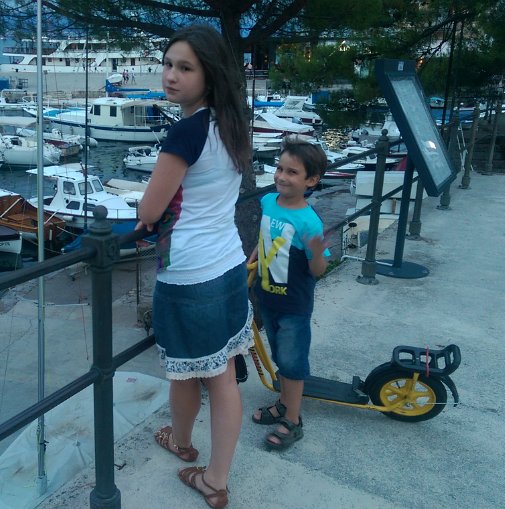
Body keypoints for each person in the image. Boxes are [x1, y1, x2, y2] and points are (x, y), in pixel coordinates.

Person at [138, 24, 253, 509]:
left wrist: (146, 211)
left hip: (188, 274)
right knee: (217, 374)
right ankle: (200, 461)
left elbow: (149, 210)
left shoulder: (186, 131)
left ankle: (206, 471)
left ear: (210, 74)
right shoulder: (232, 122)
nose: (171, 76)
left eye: (185, 68)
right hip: (228, 264)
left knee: (191, 374)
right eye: (168, 64)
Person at [248, 140, 329, 451]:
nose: (281, 176)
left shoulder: (308, 221)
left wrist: (317, 252)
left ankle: (293, 420)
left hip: (294, 304)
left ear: (311, 180)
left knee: (293, 363)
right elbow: (265, 236)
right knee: (281, 357)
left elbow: (317, 269)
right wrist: (254, 256)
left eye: (292, 172)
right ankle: (284, 403)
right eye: (280, 168)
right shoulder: (268, 201)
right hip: (268, 297)